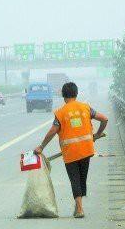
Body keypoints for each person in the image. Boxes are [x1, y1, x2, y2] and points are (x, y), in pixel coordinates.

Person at [34, 82, 108, 218]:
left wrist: (41, 146)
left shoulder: (61, 112)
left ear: (63, 95)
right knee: (81, 178)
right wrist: (96, 135)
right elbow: (104, 119)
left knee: (75, 179)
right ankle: (78, 205)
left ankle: (79, 209)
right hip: (86, 149)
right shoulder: (86, 108)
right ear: (76, 93)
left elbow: (52, 131)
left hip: (70, 152)